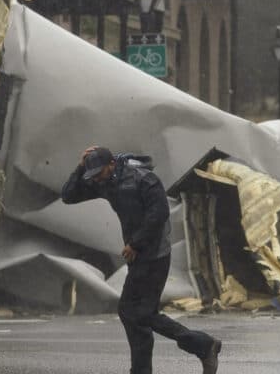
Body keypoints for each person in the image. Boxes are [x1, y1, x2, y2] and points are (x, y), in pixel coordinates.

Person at [62, 146, 222, 374]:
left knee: (139, 312)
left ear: (111, 164)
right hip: (138, 256)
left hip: (155, 254)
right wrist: (80, 168)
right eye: (93, 175)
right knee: (132, 313)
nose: (97, 178)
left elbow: (158, 215)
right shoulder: (104, 181)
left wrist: (135, 243)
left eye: (99, 172)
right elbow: (68, 196)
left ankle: (204, 346)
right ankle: (144, 368)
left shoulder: (143, 179)